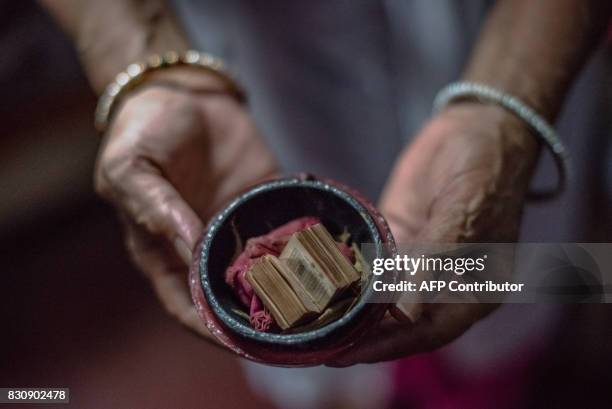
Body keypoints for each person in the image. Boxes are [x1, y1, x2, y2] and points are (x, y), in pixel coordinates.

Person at [40, 0, 612, 407]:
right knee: (330, 377)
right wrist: (143, 69)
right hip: (257, 75)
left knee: (499, 286)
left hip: (515, 47)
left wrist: (509, 113)